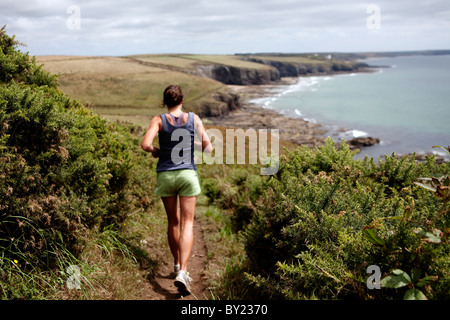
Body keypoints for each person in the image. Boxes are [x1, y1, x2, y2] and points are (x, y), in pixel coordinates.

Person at [141, 85, 212, 294]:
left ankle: (176, 264)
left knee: (173, 221)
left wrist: (157, 151)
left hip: (165, 174)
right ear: (182, 100)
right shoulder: (194, 118)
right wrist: (191, 145)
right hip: (187, 174)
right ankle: (184, 271)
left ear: (165, 102)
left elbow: (145, 144)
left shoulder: (159, 119)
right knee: (188, 223)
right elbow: (209, 147)